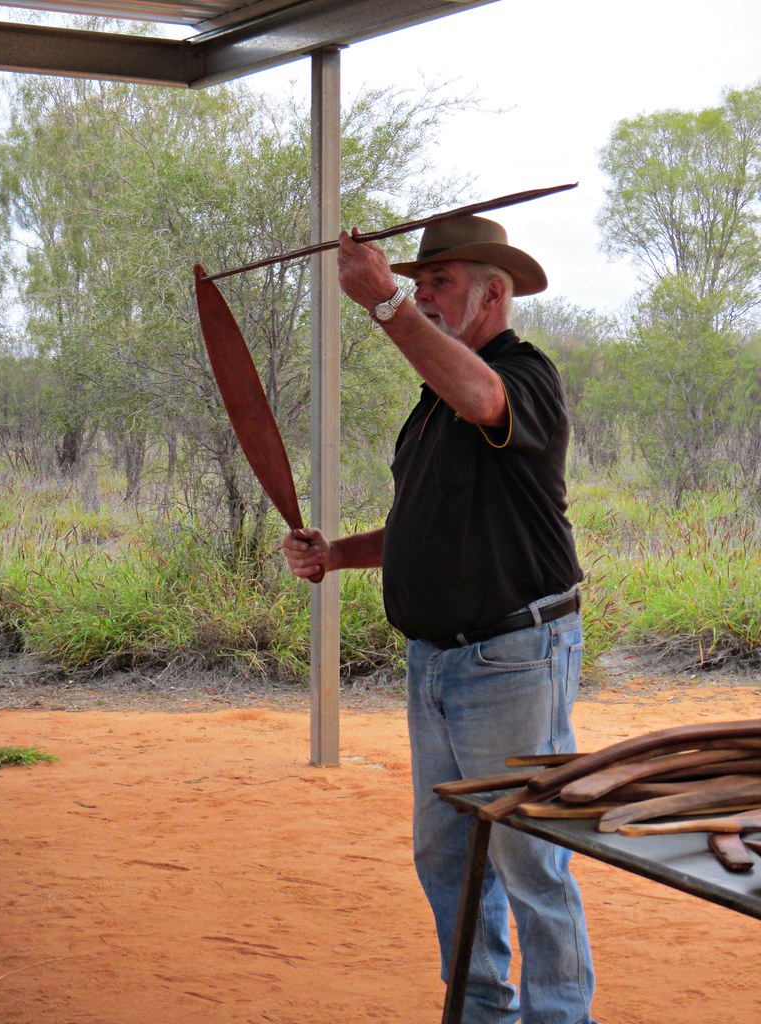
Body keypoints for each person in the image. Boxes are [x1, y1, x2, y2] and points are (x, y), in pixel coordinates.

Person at [282, 215, 597, 1024]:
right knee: (448, 855)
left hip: (514, 655)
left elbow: (482, 395)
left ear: (495, 293)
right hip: (439, 663)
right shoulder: (433, 401)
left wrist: (387, 305)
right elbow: (427, 527)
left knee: (530, 854)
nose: (423, 293)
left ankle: (561, 1016)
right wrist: (335, 554)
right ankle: (480, 1009)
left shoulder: (522, 376)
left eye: (439, 283)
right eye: (418, 282)